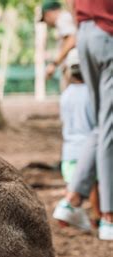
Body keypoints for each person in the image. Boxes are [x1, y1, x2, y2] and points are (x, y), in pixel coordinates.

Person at [55, 0, 113, 241]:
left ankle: (72, 200)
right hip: (108, 31)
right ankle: (109, 217)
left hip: (86, 34)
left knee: (102, 125)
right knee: (109, 125)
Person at [53, 49, 100, 231]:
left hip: (69, 148)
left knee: (72, 183)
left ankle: (68, 212)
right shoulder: (93, 93)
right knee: (96, 185)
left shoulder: (66, 95)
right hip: (88, 147)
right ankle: (98, 216)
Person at [40, 0, 76, 82]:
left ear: (48, 13)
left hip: (75, 66)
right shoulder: (66, 18)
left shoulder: (62, 19)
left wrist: (54, 63)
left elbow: (72, 40)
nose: (46, 23)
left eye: (45, 18)